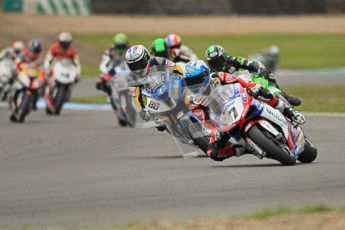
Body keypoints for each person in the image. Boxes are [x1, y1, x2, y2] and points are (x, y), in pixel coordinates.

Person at [183, 60, 305, 161]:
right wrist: (214, 131)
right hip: (224, 120)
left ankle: (289, 112)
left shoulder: (218, 77)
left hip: (240, 101)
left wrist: (251, 86)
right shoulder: (194, 102)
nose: (194, 84)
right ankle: (245, 148)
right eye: (190, 82)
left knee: (263, 93)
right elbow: (204, 120)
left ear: (205, 74)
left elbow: (238, 79)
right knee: (213, 153)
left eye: (196, 80)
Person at [205, 44, 301, 106]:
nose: (217, 64)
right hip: (234, 96)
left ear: (224, 56)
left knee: (266, 76)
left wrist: (260, 70)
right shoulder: (212, 75)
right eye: (214, 62)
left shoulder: (233, 60)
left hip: (250, 83)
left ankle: (283, 95)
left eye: (219, 60)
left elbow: (252, 63)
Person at [125, 44, 181, 129]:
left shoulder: (157, 61)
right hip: (154, 98)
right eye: (133, 66)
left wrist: (185, 76)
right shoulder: (132, 78)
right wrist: (142, 111)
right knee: (159, 124)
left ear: (146, 57)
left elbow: (175, 67)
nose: (137, 68)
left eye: (139, 64)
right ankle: (161, 119)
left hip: (171, 86)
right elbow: (136, 98)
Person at [43, 32, 81, 111]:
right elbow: (48, 58)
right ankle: (48, 93)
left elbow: (77, 63)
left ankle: (67, 94)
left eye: (66, 43)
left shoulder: (72, 51)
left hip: (67, 68)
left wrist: (78, 73)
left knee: (74, 81)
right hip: (56, 66)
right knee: (47, 79)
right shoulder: (54, 47)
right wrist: (47, 68)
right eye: (63, 43)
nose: (65, 45)